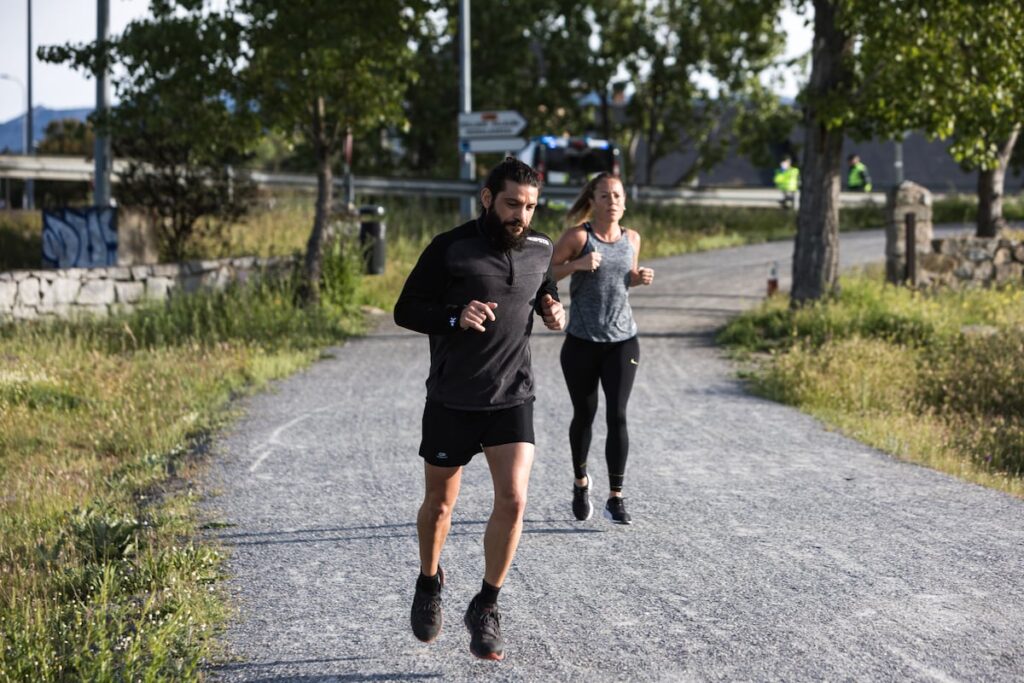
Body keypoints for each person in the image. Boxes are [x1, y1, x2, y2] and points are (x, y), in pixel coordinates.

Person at [394, 157, 566, 661]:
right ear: (488, 198)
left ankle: (486, 604)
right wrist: (454, 313)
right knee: (440, 507)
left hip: (512, 394)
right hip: (452, 398)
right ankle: (429, 582)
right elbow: (406, 310)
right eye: (513, 203)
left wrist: (552, 307)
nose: (522, 215)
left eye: (530, 206)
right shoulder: (449, 248)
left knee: (514, 501)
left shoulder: (540, 247)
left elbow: (543, 287)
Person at [549, 172, 654, 526]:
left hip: (623, 340)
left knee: (618, 415)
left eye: (618, 196)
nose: (613, 202)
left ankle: (616, 497)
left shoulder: (632, 238)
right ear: (593, 200)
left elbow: (625, 277)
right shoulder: (579, 236)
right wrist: (576, 264)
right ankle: (581, 483)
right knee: (584, 414)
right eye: (606, 196)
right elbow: (546, 272)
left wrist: (638, 278)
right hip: (582, 342)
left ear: (625, 202)